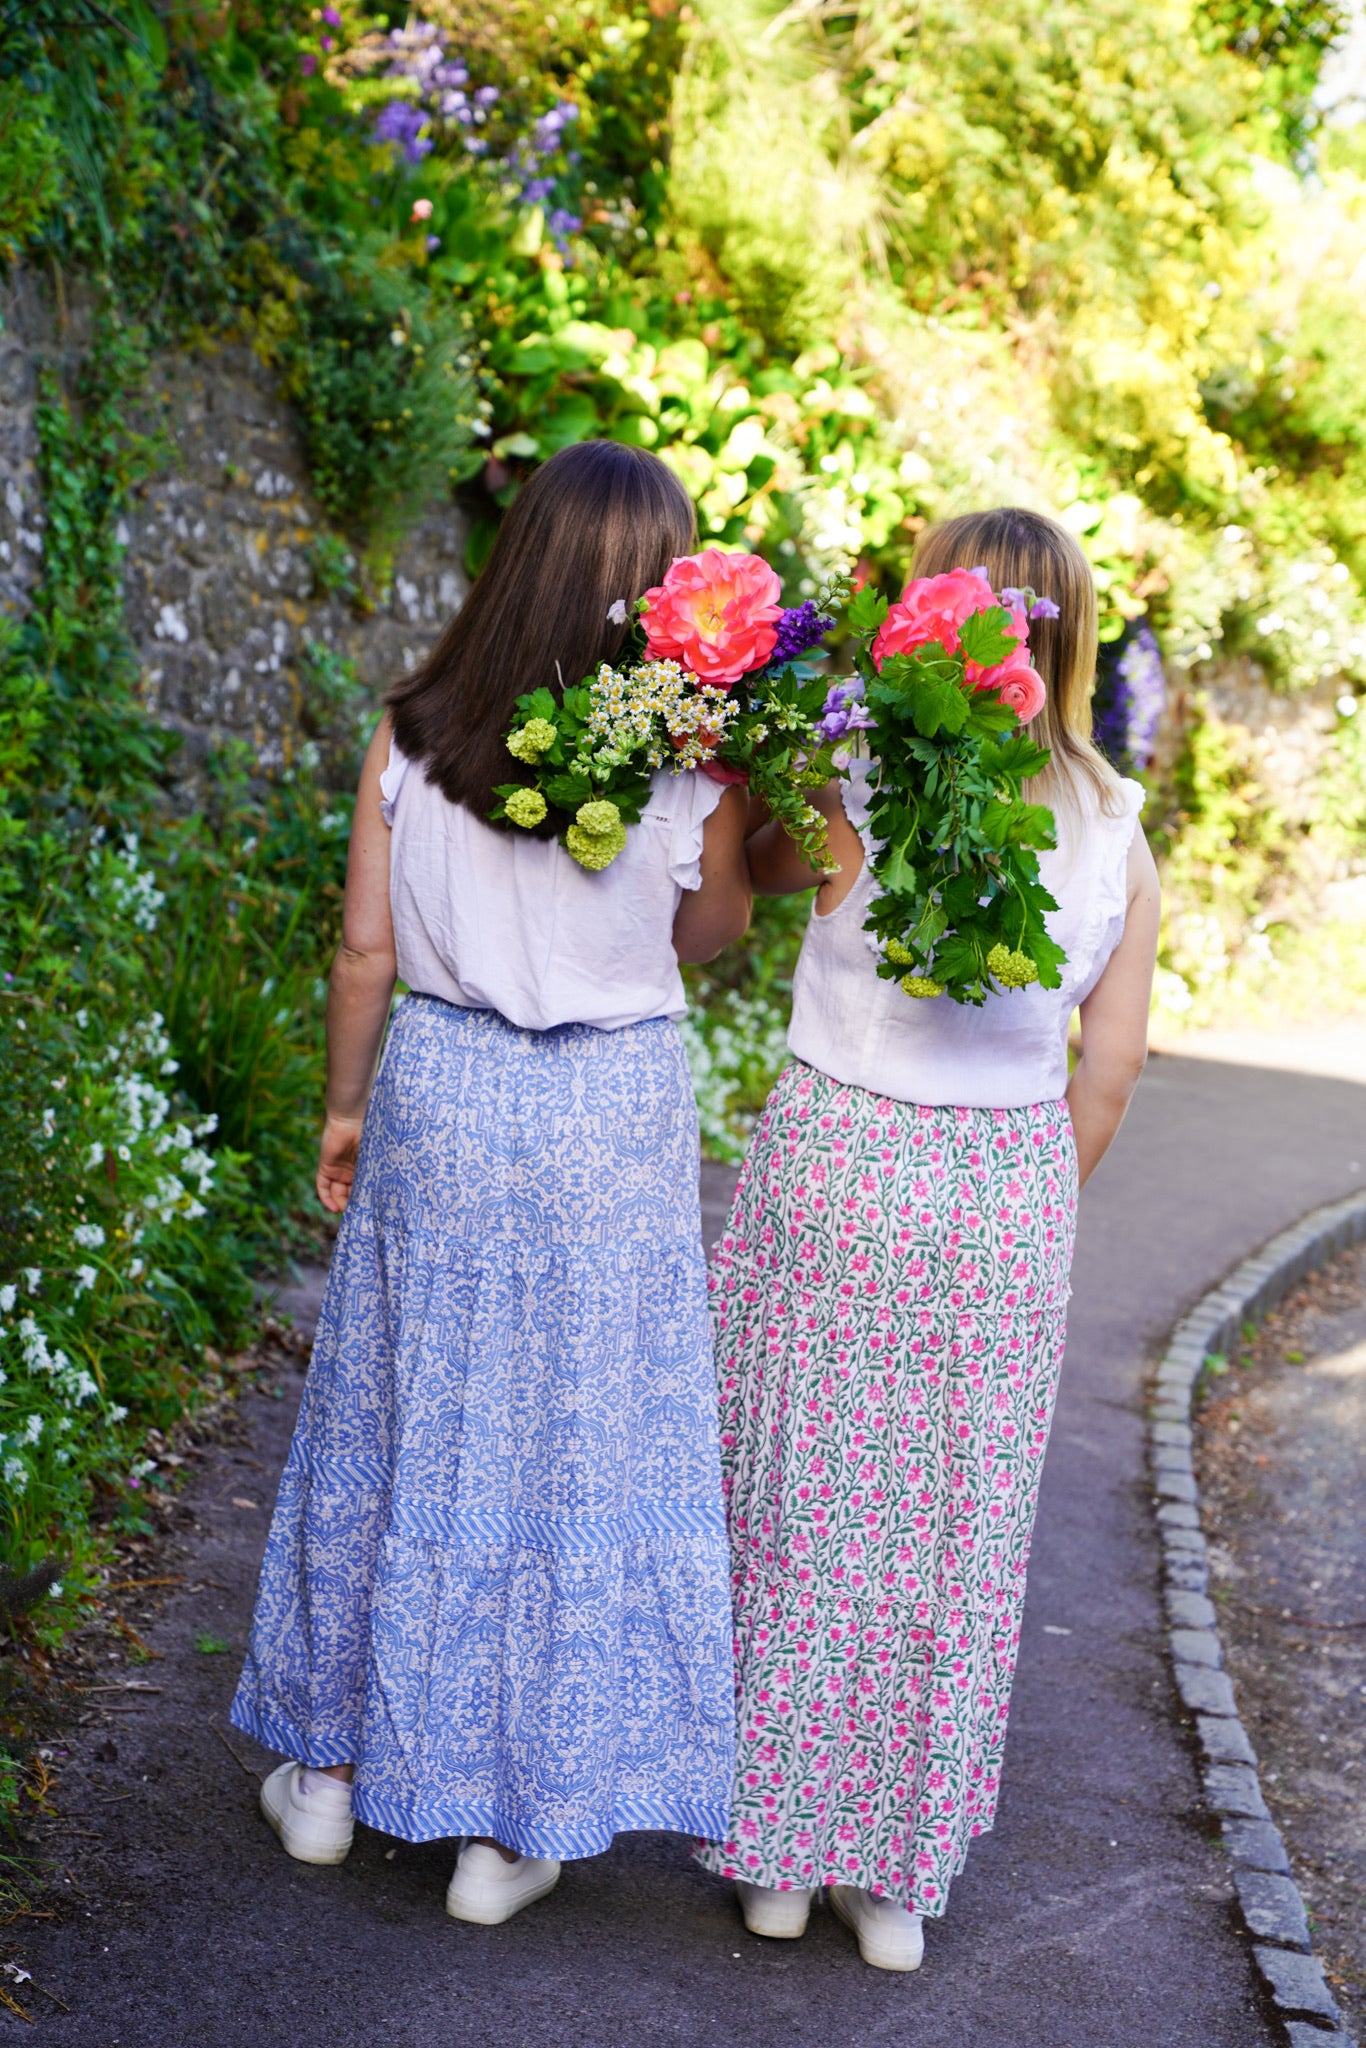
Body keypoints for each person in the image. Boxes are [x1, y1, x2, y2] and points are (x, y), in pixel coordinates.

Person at [231, 441, 750, 1926]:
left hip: (443, 1092)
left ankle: (327, 1781)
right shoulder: (684, 761)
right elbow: (706, 936)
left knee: (406, 1409)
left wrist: (341, 1108)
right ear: (662, 594)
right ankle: (510, 1831)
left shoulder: (412, 729)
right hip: (608, 1119)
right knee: (574, 1449)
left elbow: (362, 953)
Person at [697, 507, 1161, 1971]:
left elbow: (758, 880)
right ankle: (891, 1877)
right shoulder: (1114, 827)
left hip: (837, 1152)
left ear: (925, 617)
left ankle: (772, 1855)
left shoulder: (855, 768)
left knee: (793, 1498)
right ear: (1073, 644)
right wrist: (1017, 1188)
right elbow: (1113, 1068)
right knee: (951, 1535)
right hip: (999, 1191)